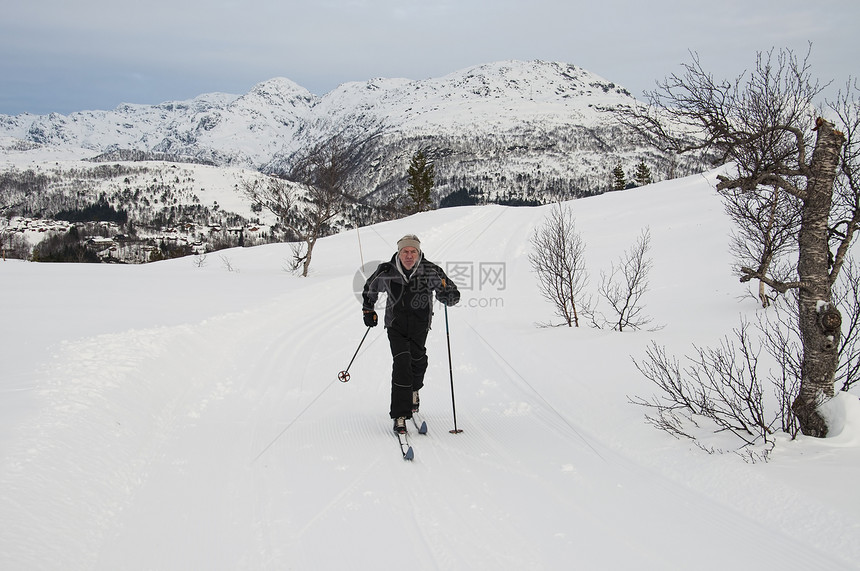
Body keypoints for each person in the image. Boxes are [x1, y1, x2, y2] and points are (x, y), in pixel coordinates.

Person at [362, 234, 460, 434]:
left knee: (418, 361)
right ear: (399, 253)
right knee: (401, 364)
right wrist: (368, 310)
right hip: (395, 325)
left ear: (418, 252)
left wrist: (448, 295)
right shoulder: (387, 270)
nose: (409, 255)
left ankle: (414, 392)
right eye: (405, 251)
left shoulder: (431, 270)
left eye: (412, 251)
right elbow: (369, 289)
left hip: (420, 325)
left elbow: (453, 293)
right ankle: (400, 414)